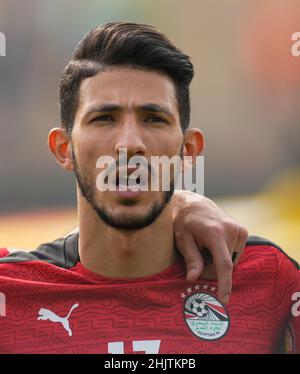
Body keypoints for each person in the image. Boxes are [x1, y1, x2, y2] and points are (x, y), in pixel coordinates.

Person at [0, 22, 298, 354]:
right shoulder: (9, 292)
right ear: (63, 148)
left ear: (189, 150)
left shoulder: (271, 282)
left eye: (153, 119)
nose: (130, 144)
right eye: (104, 118)